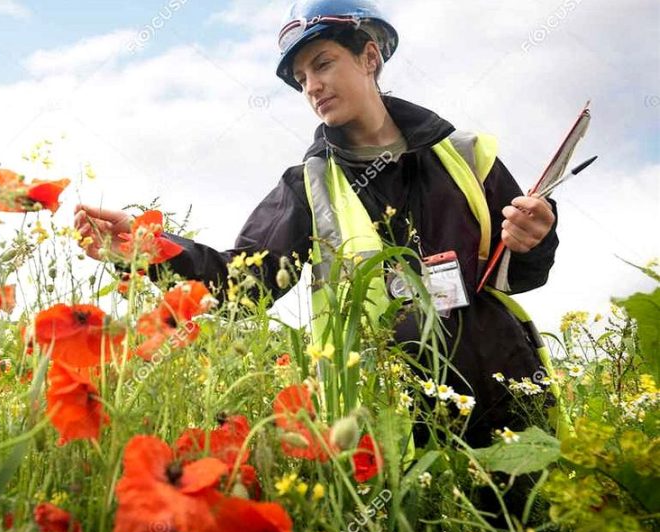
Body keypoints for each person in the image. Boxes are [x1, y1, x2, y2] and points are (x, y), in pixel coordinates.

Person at [73, 0, 559, 450]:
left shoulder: (465, 154)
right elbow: (242, 283)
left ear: (369, 57)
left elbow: (519, 273)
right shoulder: (308, 185)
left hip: (506, 391)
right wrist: (144, 247)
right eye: (301, 78)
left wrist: (535, 238)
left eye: (322, 64)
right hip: (391, 417)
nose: (312, 87)